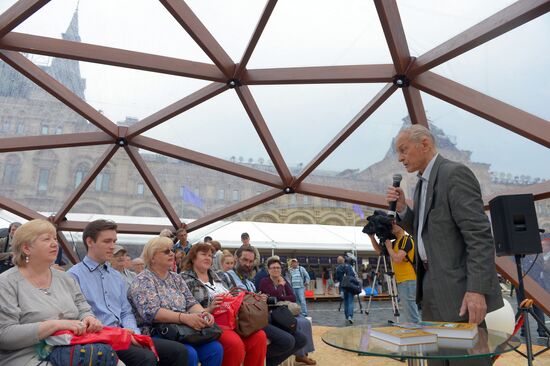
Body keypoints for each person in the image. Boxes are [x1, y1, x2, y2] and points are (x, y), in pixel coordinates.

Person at [387, 125, 503, 365]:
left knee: (466, 360)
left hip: (458, 292)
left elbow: (479, 235)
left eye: (403, 150)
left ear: (425, 144)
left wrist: (476, 290)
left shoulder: (454, 174)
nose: (400, 158)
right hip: (430, 289)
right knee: (438, 361)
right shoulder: (421, 184)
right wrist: (403, 210)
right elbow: (425, 233)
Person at [68, 220, 188, 366]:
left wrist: (132, 331)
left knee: (179, 351)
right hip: (98, 338)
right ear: (90, 242)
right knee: (146, 357)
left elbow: (126, 311)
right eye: (107, 241)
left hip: (123, 335)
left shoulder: (116, 276)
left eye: (114, 241)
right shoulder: (74, 276)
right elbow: (76, 315)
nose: (112, 246)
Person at [0, 219, 105, 366]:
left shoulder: (66, 278)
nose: (55, 243)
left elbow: (83, 307)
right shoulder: (6, 283)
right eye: (46, 239)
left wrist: (88, 318)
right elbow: (4, 334)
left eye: (55, 238)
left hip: (72, 348)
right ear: (26, 248)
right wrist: (55, 325)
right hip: (28, 355)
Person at [128, 236, 223, 366]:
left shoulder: (176, 278)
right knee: (189, 353)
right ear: (152, 257)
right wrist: (184, 318)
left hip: (183, 329)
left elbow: (191, 302)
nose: (172, 253)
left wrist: (204, 314)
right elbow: (152, 313)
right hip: (158, 332)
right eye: (166, 251)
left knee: (215, 349)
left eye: (172, 250)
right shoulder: (142, 280)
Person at [181, 242, 267, 366]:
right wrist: (209, 308)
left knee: (259, 336)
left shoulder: (220, 275)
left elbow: (236, 293)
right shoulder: (184, 278)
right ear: (193, 257)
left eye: (210, 255)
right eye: (203, 254)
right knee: (234, 344)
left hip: (233, 318)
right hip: (211, 322)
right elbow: (184, 308)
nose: (208, 258)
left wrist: (251, 298)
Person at [223, 247, 307, 366]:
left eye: (251, 261)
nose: (248, 264)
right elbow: (228, 301)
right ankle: (264, 360)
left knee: (301, 339)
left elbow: (292, 297)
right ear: (236, 259)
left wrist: (259, 298)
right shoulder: (226, 277)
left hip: (262, 317)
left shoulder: (249, 282)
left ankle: (269, 362)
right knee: (287, 341)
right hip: (247, 321)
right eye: (244, 260)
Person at [260, 257, 316, 365]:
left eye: (278, 267)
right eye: (273, 268)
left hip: (286, 311)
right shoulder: (265, 281)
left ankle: (303, 354)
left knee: (305, 322)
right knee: (297, 324)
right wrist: (281, 287)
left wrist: (280, 295)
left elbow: (293, 297)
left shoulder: (283, 280)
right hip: (273, 313)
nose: (276, 270)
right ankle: (293, 357)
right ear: (268, 270)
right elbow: (274, 297)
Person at [368, 221, 420, 323]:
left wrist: (389, 248)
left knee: (411, 314)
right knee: (409, 312)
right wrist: (372, 238)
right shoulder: (396, 242)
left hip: (409, 280)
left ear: (402, 226)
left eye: (394, 223)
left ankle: (418, 334)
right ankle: (415, 332)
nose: (392, 225)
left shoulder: (406, 239)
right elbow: (380, 251)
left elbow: (397, 259)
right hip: (402, 281)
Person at [335, 256, 357, 324]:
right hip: (350, 286)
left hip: (343, 287)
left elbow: (337, 278)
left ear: (338, 261)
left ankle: (347, 317)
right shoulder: (349, 266)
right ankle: (350, 316)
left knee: (346, 302)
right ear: (344, 260)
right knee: (350, 302)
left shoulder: (338, 268)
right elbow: (353, 275)